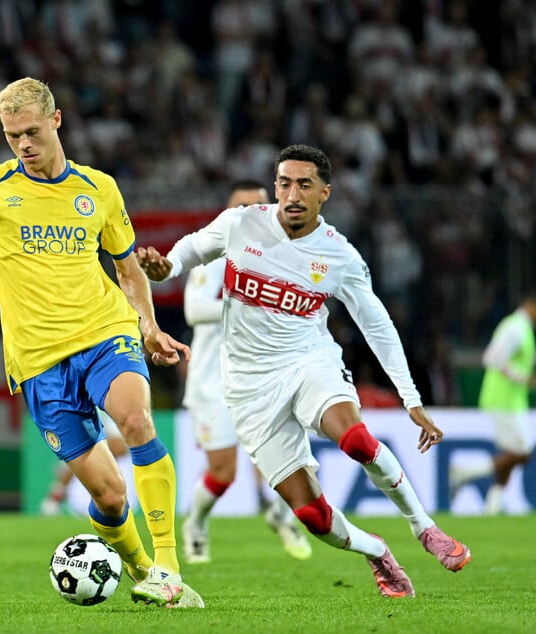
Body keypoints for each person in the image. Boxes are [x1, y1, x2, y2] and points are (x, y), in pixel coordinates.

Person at [0, 77, 202, 608]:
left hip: (103, 333)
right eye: (11, 136)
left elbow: (129, 268)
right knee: (110, 496)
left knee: (136, 421)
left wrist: (147, 325)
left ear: (56, 120)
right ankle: (144, 571)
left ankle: (167, 565)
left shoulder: (99, 189)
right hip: (37, 361)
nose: (22, 144)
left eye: (29, 131)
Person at [137, 144, 470, 598]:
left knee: (353, 438)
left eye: (304, 185)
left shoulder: (339, 256)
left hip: (308, 362)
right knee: (313, 517)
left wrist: (411, 399)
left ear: (324, 193)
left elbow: (377, 324)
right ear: (275, 186)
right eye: (284, 183)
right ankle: (377, 552)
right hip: (248, 387)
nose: (292, 194)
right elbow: (188, 252)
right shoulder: (242, 223)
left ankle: (424, 527)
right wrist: (164, 267)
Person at [181, 180, 312, 564]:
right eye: (239, 207)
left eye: (255, 207)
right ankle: (196, 525)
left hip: (265, 377)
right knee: (223, 473)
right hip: (213, 381)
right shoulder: (214, 256)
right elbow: (194, 311)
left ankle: (280, 515)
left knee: (293, 455)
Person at [450, 294, 536, 513]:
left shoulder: (523, 328)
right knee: (523, 452)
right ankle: (464, 473)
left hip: (513, 401)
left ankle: (492, 507)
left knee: (511, 455)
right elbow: (492, 357)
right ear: (530, 305)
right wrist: (524, 378)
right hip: (502, 400)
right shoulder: (516, 328)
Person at [39, 408, 130, 516]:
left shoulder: (101, 408)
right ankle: (56, 496)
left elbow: (120, 446)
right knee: (72, 459)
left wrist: (92, 449)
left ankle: (55, 497)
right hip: (87, 474)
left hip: (119, 470)